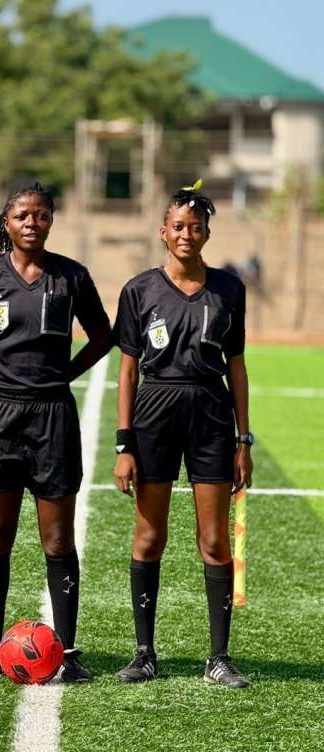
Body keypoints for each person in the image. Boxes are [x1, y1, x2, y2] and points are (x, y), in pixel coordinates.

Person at [0, 182, 113, 681]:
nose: (31, 223)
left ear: (51, 221)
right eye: (22, 215)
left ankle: (68, 651)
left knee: (58, 540)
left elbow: (103, 336)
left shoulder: (71, 276)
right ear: (7, 222)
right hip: (0, 415)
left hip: (52, 415)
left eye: (41, 215)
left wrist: (67, 373)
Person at [113, 183, 253, 688]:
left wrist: (244, 440)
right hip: (154, 413)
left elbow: (236, 367)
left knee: (214, 541)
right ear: (163, 233)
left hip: (211, 414)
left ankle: (218, 658)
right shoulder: (139, 291)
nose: (186, 234)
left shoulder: (229, 289)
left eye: (195, 227)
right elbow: (128, 371)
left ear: (207, 234)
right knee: (149, 537)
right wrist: (124, 444)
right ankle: (144, 653)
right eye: (178, 227)